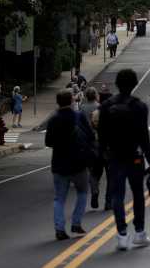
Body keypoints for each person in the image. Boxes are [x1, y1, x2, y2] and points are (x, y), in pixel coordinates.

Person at [98, 69, 150, 250]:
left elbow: (101, 135)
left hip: (115, 157)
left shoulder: (106, 106)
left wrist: (102, 156)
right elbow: (143, 137)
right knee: (138, 194)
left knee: (117, 196)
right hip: (135, 157)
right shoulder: (139, 107)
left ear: (117, 84)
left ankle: (122, 234)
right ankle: (139, 232)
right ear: (134, 85)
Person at [45, 89, 94, 240]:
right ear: (72, 101)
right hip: (78, 163)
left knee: (59, 198)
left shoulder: (53, 119)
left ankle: (59, 229)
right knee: (82, 192)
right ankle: (76, 222)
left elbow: (48, 142)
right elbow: (91, 136)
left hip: (59, 163)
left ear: (58, 102)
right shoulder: (78, 117)